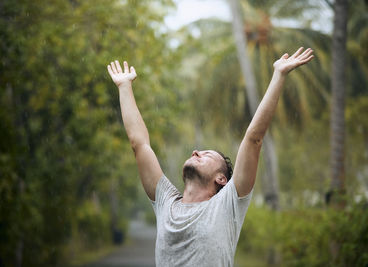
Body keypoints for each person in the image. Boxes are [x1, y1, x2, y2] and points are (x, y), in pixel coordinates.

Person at [107, 47, 314, 266]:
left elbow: (253, 138)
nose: (196, 152)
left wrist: (278, 75)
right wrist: (124, 86)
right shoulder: (165, 202)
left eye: (206, 155)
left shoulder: (227, 205)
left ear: (221, 179)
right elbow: (139, 144)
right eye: (198, 152)